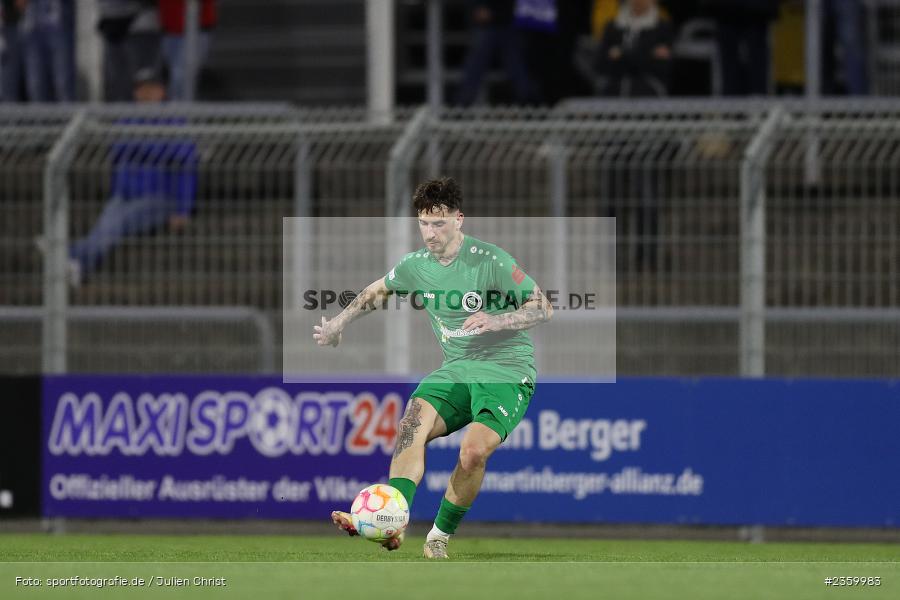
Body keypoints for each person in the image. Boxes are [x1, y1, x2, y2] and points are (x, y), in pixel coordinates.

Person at [314, 177, 553, 559]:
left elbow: (543, 307)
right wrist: (338, 325)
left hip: (506, 369)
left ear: (459, 220)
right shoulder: (416, 266)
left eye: (439, 223)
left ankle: (438, 536)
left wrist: (499, 320)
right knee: (411, 424)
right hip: (458, 368)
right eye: (424, 223)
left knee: (472, 454)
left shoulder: (490, 261)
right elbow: (377, 291)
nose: (430, 232)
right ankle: (394, 522)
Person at [67, 70, 196, 284]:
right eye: (141, 89)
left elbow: (186, 168)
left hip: (161, 199)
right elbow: (117, 154)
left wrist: (183, 209)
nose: (146, 95)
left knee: (115, 223)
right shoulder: (128, 119)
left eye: (151, 89)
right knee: (107, 222)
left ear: (162, 91)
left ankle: (68, 255)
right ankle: (75, 261)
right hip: (125, 195)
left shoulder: (175, 122)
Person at [454, 0, 538, 106]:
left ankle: (529, 101)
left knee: (515, 58)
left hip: (511, 24)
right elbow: (476, 12)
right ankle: (462, 103)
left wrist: (495, 14)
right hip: (488, 27)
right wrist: (478, 11)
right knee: (481, 49)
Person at [594, 0, 674, 97]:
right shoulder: (612, 26)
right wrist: (648, 54)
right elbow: (600, 64)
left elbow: (664, 68)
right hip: (613, 94)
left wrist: (621, 54)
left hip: (649, 96)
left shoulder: (663, 28)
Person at [705, 0, 778, 96]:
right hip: (727, 10)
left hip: (756, 11)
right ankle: (732, 102)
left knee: (756, 61)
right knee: (729, 65)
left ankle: (757, 101)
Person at [158, 0, 217, 101]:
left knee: (181, 75)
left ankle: (179, 111)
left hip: (196, 30)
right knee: (172, 74)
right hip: (170, 28)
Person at [19, 0, 75, 102]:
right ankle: (39, 117)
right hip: (32, 28)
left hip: (58, 25)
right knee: (36, 84)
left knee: (63, 83)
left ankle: (67, 116)